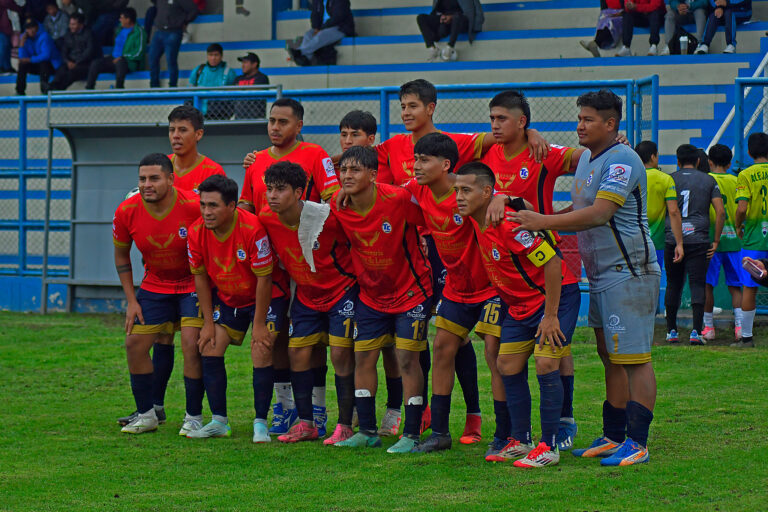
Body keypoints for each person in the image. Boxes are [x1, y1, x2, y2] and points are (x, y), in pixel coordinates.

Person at [511, 90, 660, 466]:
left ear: (611, 124)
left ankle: (638, 442)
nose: (580, 125)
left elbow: (599, 214)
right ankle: (614, 435)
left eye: (588, 119)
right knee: (610, 356)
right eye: (579, 118)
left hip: (630, 273)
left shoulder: (622, 160)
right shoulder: (589, 160)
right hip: (601, 275)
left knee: (634, 359)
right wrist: (540, 213)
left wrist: (543, 221)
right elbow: (579, 209)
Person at [481, 89, 589, 455]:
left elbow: (583, 157)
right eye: (492, 119)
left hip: (543, 259)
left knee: (552, 354)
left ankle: (563, 422)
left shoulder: (540, 152)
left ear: (522, 122)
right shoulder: (486, 154)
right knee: (502, 356)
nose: (495, 125)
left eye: (502, 119)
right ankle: (516, 435)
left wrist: (612, 144)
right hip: (507, 268)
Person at [456, 162, 581, 468]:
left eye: (466, 190)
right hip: (518, 306)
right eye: (457, 190)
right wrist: (505, 196)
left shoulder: (508, 225)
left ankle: (549, 446)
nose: (458, 196)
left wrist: (550, 316)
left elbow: (552, 262)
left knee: (546, 361)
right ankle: (521, 439)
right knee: (506, 364)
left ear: (486, 192)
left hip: (556, 297)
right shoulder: (476, 217)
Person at [239, 98, 340, 436]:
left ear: (299, 126)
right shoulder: (256, 162)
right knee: (279, 339)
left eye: (283, 121)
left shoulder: (315, 154)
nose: (275, 127)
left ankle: (318, 409)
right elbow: (246, 207)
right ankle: (284, 408)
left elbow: (333, 199)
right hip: (277, 268)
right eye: (271, 120)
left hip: (315, 264)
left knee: (317, 344)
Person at [405, 134, 506, 454]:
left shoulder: (468, 192)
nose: (416, 166)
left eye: (424, 160)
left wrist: (503, 198)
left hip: (490, 287)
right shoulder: (417, 190)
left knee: (494, 355)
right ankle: (440, 433)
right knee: (442, 350)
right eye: (415, 159)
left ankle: (504, 433)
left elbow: (502, 196)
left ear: (446, 165)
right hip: (456, 288)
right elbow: (386, 194)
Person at [329, 146, 433, 453]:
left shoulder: (398, 199)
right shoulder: (339, 207)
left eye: (355, 170)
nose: (347, 175)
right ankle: (369, 431)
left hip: (411, 290)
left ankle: (411, 434)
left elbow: (427, 219)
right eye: (343, 170)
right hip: (371, 295)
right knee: (363, 357)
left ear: (373, 175)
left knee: (406, 359)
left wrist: (426, 244)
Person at [259, 162, 357, 445]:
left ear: (299, 192)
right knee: (297, 354)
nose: (272, 196)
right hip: (306, 295)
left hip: (341, 292)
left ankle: (345, 424)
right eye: (269, 189)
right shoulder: (267, 218)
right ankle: (306, 425)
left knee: (340, 354)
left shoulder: (327, 217)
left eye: (280, 189)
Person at [112, 153, 204, 435]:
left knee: (191, 344)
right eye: (142, 179)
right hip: (155, 285)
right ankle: (147, 414)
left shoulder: (193, 205)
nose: (147, 184)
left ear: (170, 179)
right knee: (134, 344)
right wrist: (131, 300)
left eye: (154, 178)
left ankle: (194, 417)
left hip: (193, 283)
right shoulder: (126, 211)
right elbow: (121, 256)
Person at [186, 174, 283, 440]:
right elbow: (200, 278)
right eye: (203, 205)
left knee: (261, 348)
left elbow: (265, 278)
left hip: (265, 298)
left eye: (213, 205)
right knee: (208, 345)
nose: (206, 211)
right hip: (229, 299)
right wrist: (207, 323)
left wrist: (260, 324)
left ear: (232, 206)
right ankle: (219, 421)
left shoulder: (252, 229)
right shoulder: (195, 232)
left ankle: (261, 423)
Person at [337, 110, 404, 436]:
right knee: (365, 351)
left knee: (399, 353)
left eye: (356, 134)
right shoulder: (341, 197)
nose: (349, 141)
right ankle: (362, 423)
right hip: (367, 288)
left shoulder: (395, 189)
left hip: (405, 285)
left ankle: (398, 412)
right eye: (344, 135)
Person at [663, 144, 725, 344]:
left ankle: (671, 331)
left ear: (678, 161)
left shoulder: (669, 179)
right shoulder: (708, 179)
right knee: (697, 283)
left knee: (673, 284)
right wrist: (715, 239)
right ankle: (696, 333)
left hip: (673, 238)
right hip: (699, 239)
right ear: (699, 161)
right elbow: (721, 212)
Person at [703, 144, 743, 341]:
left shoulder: (706, 180)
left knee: (707, 285)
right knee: (736, 286)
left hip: (710, 241)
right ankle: (740, 328)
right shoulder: (737, 180)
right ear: (729, 163)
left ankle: (709, 328)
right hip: (734, 241)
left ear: (710, 162)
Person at [734, 131, 768, 348]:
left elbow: (742, 207)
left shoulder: (746, 174)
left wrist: (738, 225)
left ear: (748, 152)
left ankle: (746, 338)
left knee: (749, 287)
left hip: (754, 239)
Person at [166, 105, 226, 193]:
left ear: (198, 134)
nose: (175, 136)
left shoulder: (213, 172)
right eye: (172, 130)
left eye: (183, 130)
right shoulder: (160, 167)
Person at [85, 7, 146, 90]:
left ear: (128, 20)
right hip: (114, 58)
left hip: (129, 62)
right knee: (96, 63)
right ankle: (89, 89)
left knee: (120, 63)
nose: (120, 20)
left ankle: (119, 90)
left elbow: (139, 52)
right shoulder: (119, 29)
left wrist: (123, 57)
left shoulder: (139, 32)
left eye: (122, 18)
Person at [287, 0, 354, 66]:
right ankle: (306, 58)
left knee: (321, 35)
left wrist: (322, 29)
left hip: (340, 28)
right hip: (322, 28)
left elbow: (338, 17)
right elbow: (314, 15)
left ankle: (300, 52)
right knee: (308, 34)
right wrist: (316, 28)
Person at [149, 0, 197, 88]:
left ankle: (172, 87)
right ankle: (154, 86)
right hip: (159, 30)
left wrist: (184, 21)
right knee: (152, 58)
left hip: (174, 31)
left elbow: (193, 10)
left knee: (171, 61)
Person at [416, 0, 484, 62]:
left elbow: (478, 9)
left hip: (462, 20)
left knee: (457, 17)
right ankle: (432, 48)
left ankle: (449, 47)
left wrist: (477, 27)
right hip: (446, 22)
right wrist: (441, 17)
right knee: (420, 18)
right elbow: (436, 11)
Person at [49, 12, 96, 90]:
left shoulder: (89, 34)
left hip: (84, 64)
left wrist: (77, 62)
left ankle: (58, 89)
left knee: (71, 73)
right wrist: (68, 62)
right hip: (70, 62)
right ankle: (51, 87)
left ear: (81, 25)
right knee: (61, 70)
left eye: (73, 24)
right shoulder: (68, 35)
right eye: (70, 24)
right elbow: (64, 51)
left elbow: (89, 52)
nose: (71, 26)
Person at [188, 43, 237, 119]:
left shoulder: (229, 73)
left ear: (221, 56)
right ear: (207, 56)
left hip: (221, 116)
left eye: (216, 55)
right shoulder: (198, 70)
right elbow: (188, 93)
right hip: (199, 115)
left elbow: (233, 97)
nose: (213, 58)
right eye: (210, 55)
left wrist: (227, 114)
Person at [16, 18, 61, 95]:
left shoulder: (44, 36)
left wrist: (29, 60)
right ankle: (20, 91)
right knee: (22, 65)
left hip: (52, 66)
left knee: (43, 63)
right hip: (36, 65)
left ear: (37, 27)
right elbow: (22, 58)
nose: (31, 30)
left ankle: (44, 90)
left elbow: (46, 56)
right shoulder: (24, 37)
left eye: (32, 27)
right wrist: (22, 44)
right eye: (28, 28)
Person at [233, 52, 269, 119]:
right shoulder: (238, 79)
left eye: (245, 62)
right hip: (238, 119)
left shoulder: (262, 77)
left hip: (256, 118)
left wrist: (240, 90)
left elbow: (256, 93)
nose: (243, 65)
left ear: (254, 64)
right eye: (242, 63)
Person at [0, 0, 23, 74]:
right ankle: (2, 66)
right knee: (4, 45)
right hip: (3, 27)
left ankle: (7, 66)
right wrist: (20, 8)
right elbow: (6, 3)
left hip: (7, 26)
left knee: (7, 46)